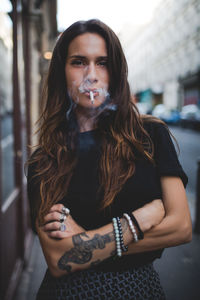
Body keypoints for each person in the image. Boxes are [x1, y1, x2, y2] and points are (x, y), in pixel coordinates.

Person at [27, 19, 192, 300]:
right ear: (61, 72)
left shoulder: (150, 135)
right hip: (67, 293)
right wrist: (138, 220)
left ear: (115, 73)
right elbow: (58, 259)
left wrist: (86, 242)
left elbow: (180, 227)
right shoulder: (44, 159)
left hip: (139, 290)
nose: (91, 75)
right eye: (79, 62)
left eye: (102, 63)